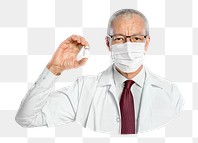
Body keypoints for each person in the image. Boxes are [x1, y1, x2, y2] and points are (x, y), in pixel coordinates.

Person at [15, 9, 183, 135]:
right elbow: (27, 118)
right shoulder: (83, 91)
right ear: (108, 43)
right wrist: (54, 68)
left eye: (136, 38)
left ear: (147, 42)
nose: (128, 45)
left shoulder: (171, 94)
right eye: (119, 38)